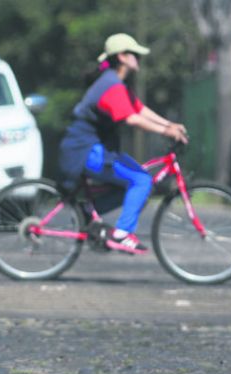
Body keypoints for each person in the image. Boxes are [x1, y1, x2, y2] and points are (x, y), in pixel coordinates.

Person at [59, 33, 189, 254]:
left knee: (134, 185)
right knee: (141, 180)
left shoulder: (114, 83)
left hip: (91, 149)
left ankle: (86, 212)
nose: (139, 59)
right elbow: (131, 119)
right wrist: (166, 131)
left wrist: (170, 124)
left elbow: (138, 108)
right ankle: (122, 235)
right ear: (122, 56)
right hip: (86, 152)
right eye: (135, 54)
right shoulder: (111, 86)